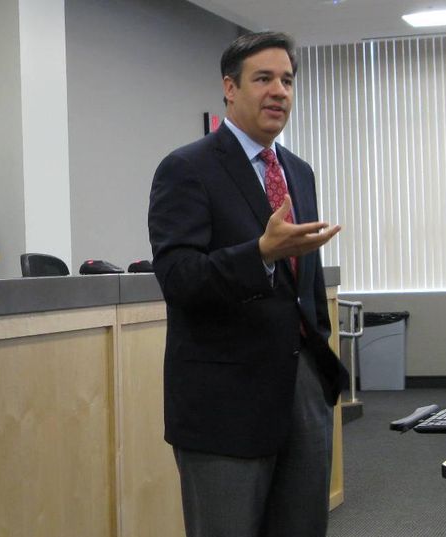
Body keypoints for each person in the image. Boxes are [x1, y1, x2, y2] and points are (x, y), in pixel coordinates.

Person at [148, 31, 349, 537]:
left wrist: (318, 361)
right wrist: (260, 252)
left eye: (287, 79)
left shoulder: (298, 172)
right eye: (263, 78)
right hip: (225, 402)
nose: (278, 90)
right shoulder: (186, 168)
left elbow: (303, 280)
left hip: (302, 389)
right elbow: (179, 279)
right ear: (229, 89)